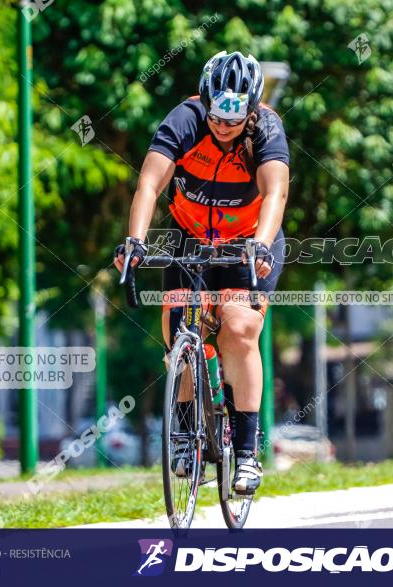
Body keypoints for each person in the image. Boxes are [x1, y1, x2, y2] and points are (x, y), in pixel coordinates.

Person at [114, 51, 290, 495]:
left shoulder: (266, 128)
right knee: (178, 337)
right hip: (189, 237)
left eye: (235, 118)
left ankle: (247, 454)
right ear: (205, 101)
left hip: (248, 240)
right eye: (217, 116)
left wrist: (262, 246)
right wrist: (135, 241)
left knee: (238, 328)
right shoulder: (186, 119)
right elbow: (150, 184)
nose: (224, 127)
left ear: (251, 109)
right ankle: (185, 437)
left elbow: (275, 193)